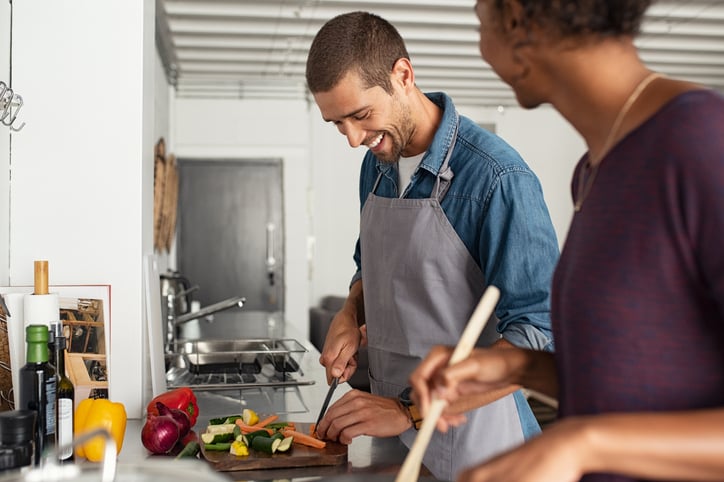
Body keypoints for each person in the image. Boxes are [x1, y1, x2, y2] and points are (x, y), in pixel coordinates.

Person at [410, 1, 724, 481]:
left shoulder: (701, 142)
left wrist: (581, 444)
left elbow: (599, 432)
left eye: (479, 20)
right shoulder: (594, 171)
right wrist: (511, 366)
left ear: (514, 19)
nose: (480, 48)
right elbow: (632, 386)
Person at [305, 11, 560, 481]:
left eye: (360, 116)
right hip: (393, 438)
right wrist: (349, 313)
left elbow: (538, 331)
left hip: (483, 446)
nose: (354, 139)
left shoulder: (497, 178)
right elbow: (370, 266)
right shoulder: (376, 164)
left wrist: (412, 412)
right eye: (337, 124)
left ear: (403, 75)